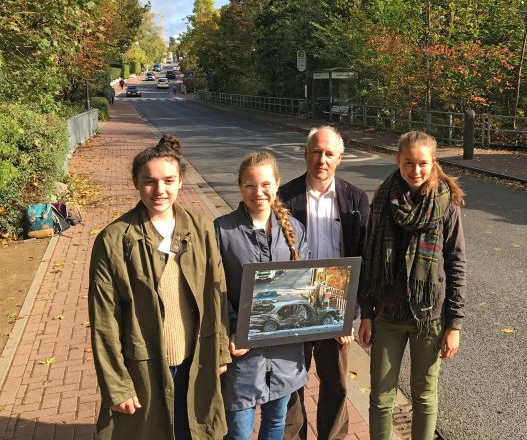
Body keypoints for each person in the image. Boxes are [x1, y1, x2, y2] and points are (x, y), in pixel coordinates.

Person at [88, 134, 230, 440]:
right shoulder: (114, 240)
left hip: (195, 362)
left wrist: (219, 352)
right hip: (145, 371)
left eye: (168, 180)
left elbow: (216, 292)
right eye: (149, 181)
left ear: (180, 181)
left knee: (195, 431)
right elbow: (104, 321)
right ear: (136, 182)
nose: (159, 190)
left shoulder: (200, 226)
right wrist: (118, 385)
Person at [358, 131, 467, 440]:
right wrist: (366, 313)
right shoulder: (383, 197)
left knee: (424, 395)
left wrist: (454, 324)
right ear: (398, 160)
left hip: (429, 316)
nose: (415, 171)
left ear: (433, 163)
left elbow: (456, 263)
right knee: (381, 398)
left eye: (422, 163)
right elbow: (368, 258)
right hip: (388, 314)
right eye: (408, 163)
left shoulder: (446, 203)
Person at [280, 127, 370, 440]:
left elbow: (363, 257)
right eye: (316, 152)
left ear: (339, 159)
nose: (322, 159)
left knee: (335, 384)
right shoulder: (285, 196)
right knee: (291, 382)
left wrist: (353, 313)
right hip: (295, 300)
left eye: (329, 153)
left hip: (335, 300)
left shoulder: (355, 199)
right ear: (306, 154)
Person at [215, 152, 309, 440]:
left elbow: (305, 286)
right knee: (239, 432)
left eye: (266, 184)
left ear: (277, 184)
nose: (259, 192)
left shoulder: (294, 229)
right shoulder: (222, 230)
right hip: (242, 352)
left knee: (276, 422)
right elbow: (214, 290)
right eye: (250, 186)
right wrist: (232, 329)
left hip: (283, 351)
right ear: (240, 187)